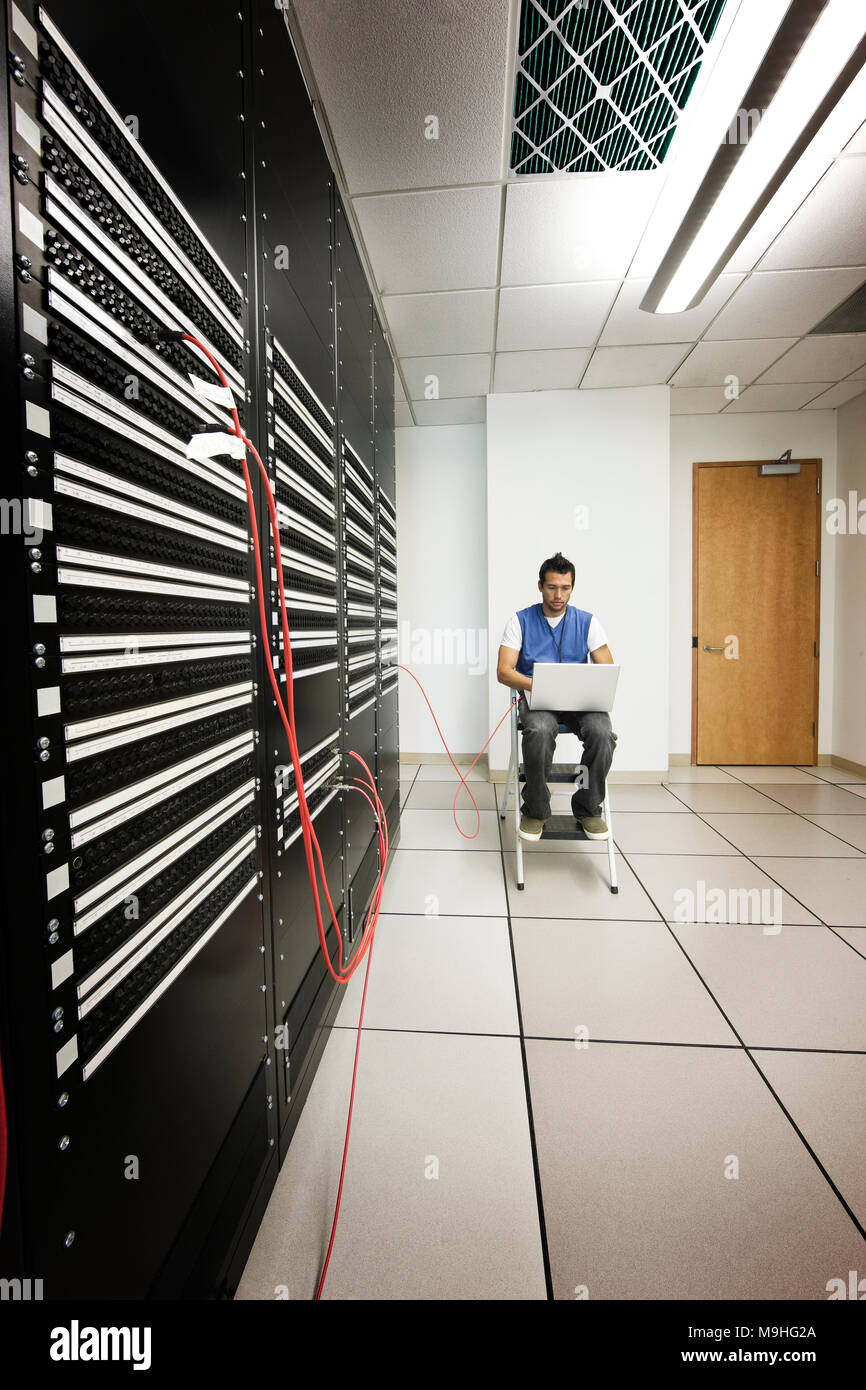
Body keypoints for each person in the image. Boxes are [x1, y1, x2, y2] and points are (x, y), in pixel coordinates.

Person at [497, 552, 617, 843]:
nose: (558, 594)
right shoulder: (520, 620)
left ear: (572, 588)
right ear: (540, 586)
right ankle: (536, 809)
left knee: (603, 733)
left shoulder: (588, 622)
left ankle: (588, 807)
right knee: (538, 730)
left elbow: (607, 669)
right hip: (538, 700)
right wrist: (539, 684)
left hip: (581, 702)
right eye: (552, 587)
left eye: (565, 588)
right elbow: (504, 671)